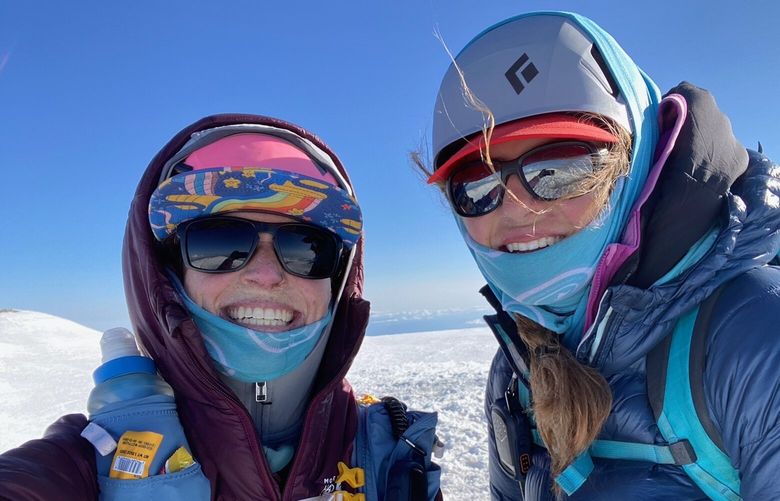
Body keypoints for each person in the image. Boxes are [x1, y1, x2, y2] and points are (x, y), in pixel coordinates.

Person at [419, 11, 780, 500]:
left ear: (634, 163)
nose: (516, 206)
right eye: (476, 185)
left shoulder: (752, 337)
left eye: (561, 168)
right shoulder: (515, 372)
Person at [0, 114, 441, 500]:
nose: (267, 275)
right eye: (220, 242)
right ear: (168, 277)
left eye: (307, 249)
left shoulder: (392, 453)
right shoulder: (91, 460)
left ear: (337, 280)